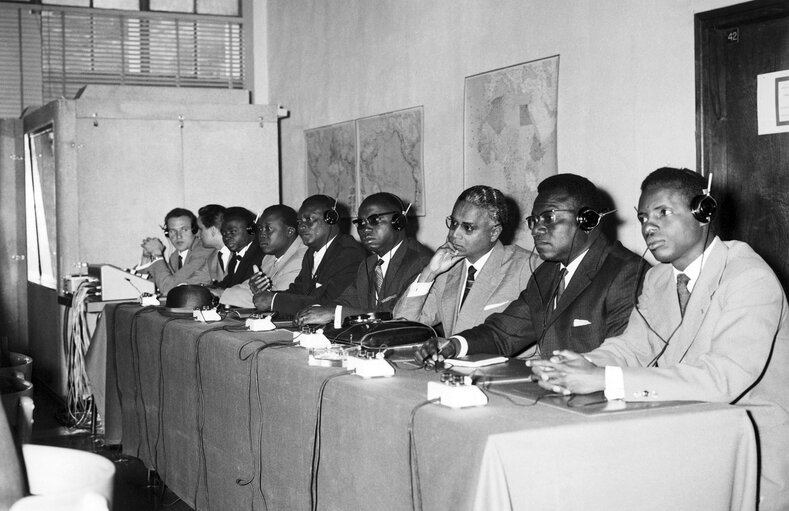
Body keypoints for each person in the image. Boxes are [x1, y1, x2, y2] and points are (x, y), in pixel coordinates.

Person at [528, 167, 789, 510]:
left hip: (748, 454)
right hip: (682, 437)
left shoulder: (748, 277)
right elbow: (633, 346)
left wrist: (603, 379)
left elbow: (720, 380)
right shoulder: (660, 279)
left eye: (663, 213)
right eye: (642, 217)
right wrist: (580, 364)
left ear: (702, 213)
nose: (648, 226)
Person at [416, 174, 646, 364]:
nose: (537, 230)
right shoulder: (548, 273)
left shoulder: (627, 273)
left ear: (587, 220)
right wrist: (454, 344)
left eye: (549, 217)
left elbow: (624, 358)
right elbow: (504, 332)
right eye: (534, 221)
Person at [393, 185, 535, 336]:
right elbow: (404, 325)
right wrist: (429, 272)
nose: (454, 234)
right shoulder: (447, 271)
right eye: (454, 224)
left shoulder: (526, 267)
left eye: (468, 228)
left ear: (494, 233)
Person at [295, 193, 432, 325]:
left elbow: (398, 316)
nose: (365, 228)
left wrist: (335, 313)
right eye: (360, 223)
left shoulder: (420, 262)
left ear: (398, 222)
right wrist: (315, 311)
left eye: (374, 220)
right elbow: (347, 301)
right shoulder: (370, 264)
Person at [253, 195, 365, 317]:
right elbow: (298, 292)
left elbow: (330, 304)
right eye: (299, 221)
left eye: (309, 219)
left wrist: (273, 301)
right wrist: (266, 295)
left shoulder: (348, 252)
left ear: (330, 219)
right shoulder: (311, 253)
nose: (301, 226)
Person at [219, 205, 307, 308]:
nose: (262, 234)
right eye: (260, 229)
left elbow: (276, 300)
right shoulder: (269, 257)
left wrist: (218, 295)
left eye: (268, 229)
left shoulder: (302, 258)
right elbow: (246, 287)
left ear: (290, 231)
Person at [136, 207, 214, 295]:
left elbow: (168, 290)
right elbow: (139, 285)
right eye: (173, 231)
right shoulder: (175, 256)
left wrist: (158, 255)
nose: (178, 236)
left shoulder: (203, 252)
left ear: (195, 230)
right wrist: (145, 258)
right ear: (167, 233)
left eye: (184, 230)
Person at [212, 206, 263, 293]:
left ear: (251, 230)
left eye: (233, 231)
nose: (227, 237)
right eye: (224, 233)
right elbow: (228, 283)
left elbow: (243, 289)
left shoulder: (260, 255)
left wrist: (216, 292)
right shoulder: (236, 257)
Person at [197, 204, 229, 284]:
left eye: (201, 229)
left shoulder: (241, 253)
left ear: (213, 230)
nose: (197, 234)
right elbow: (197, 279)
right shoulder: (212, 258)